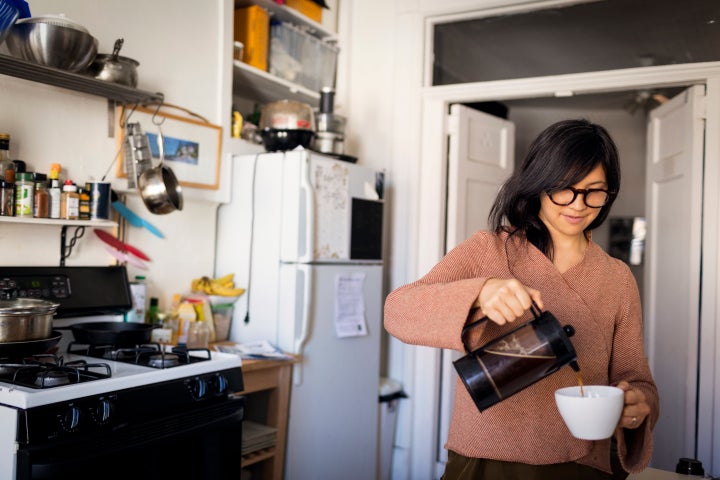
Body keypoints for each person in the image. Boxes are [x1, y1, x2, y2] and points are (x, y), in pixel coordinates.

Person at [384, 119, 659, 479]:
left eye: (595, 191)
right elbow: (397, 311)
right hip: (488, 460)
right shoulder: (490, 250)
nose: (579, 204)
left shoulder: (617, 278)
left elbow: (636, 380)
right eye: (565, 189)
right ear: (539, 185)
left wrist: (638, 405)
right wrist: (480, 294)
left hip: (582, 464)